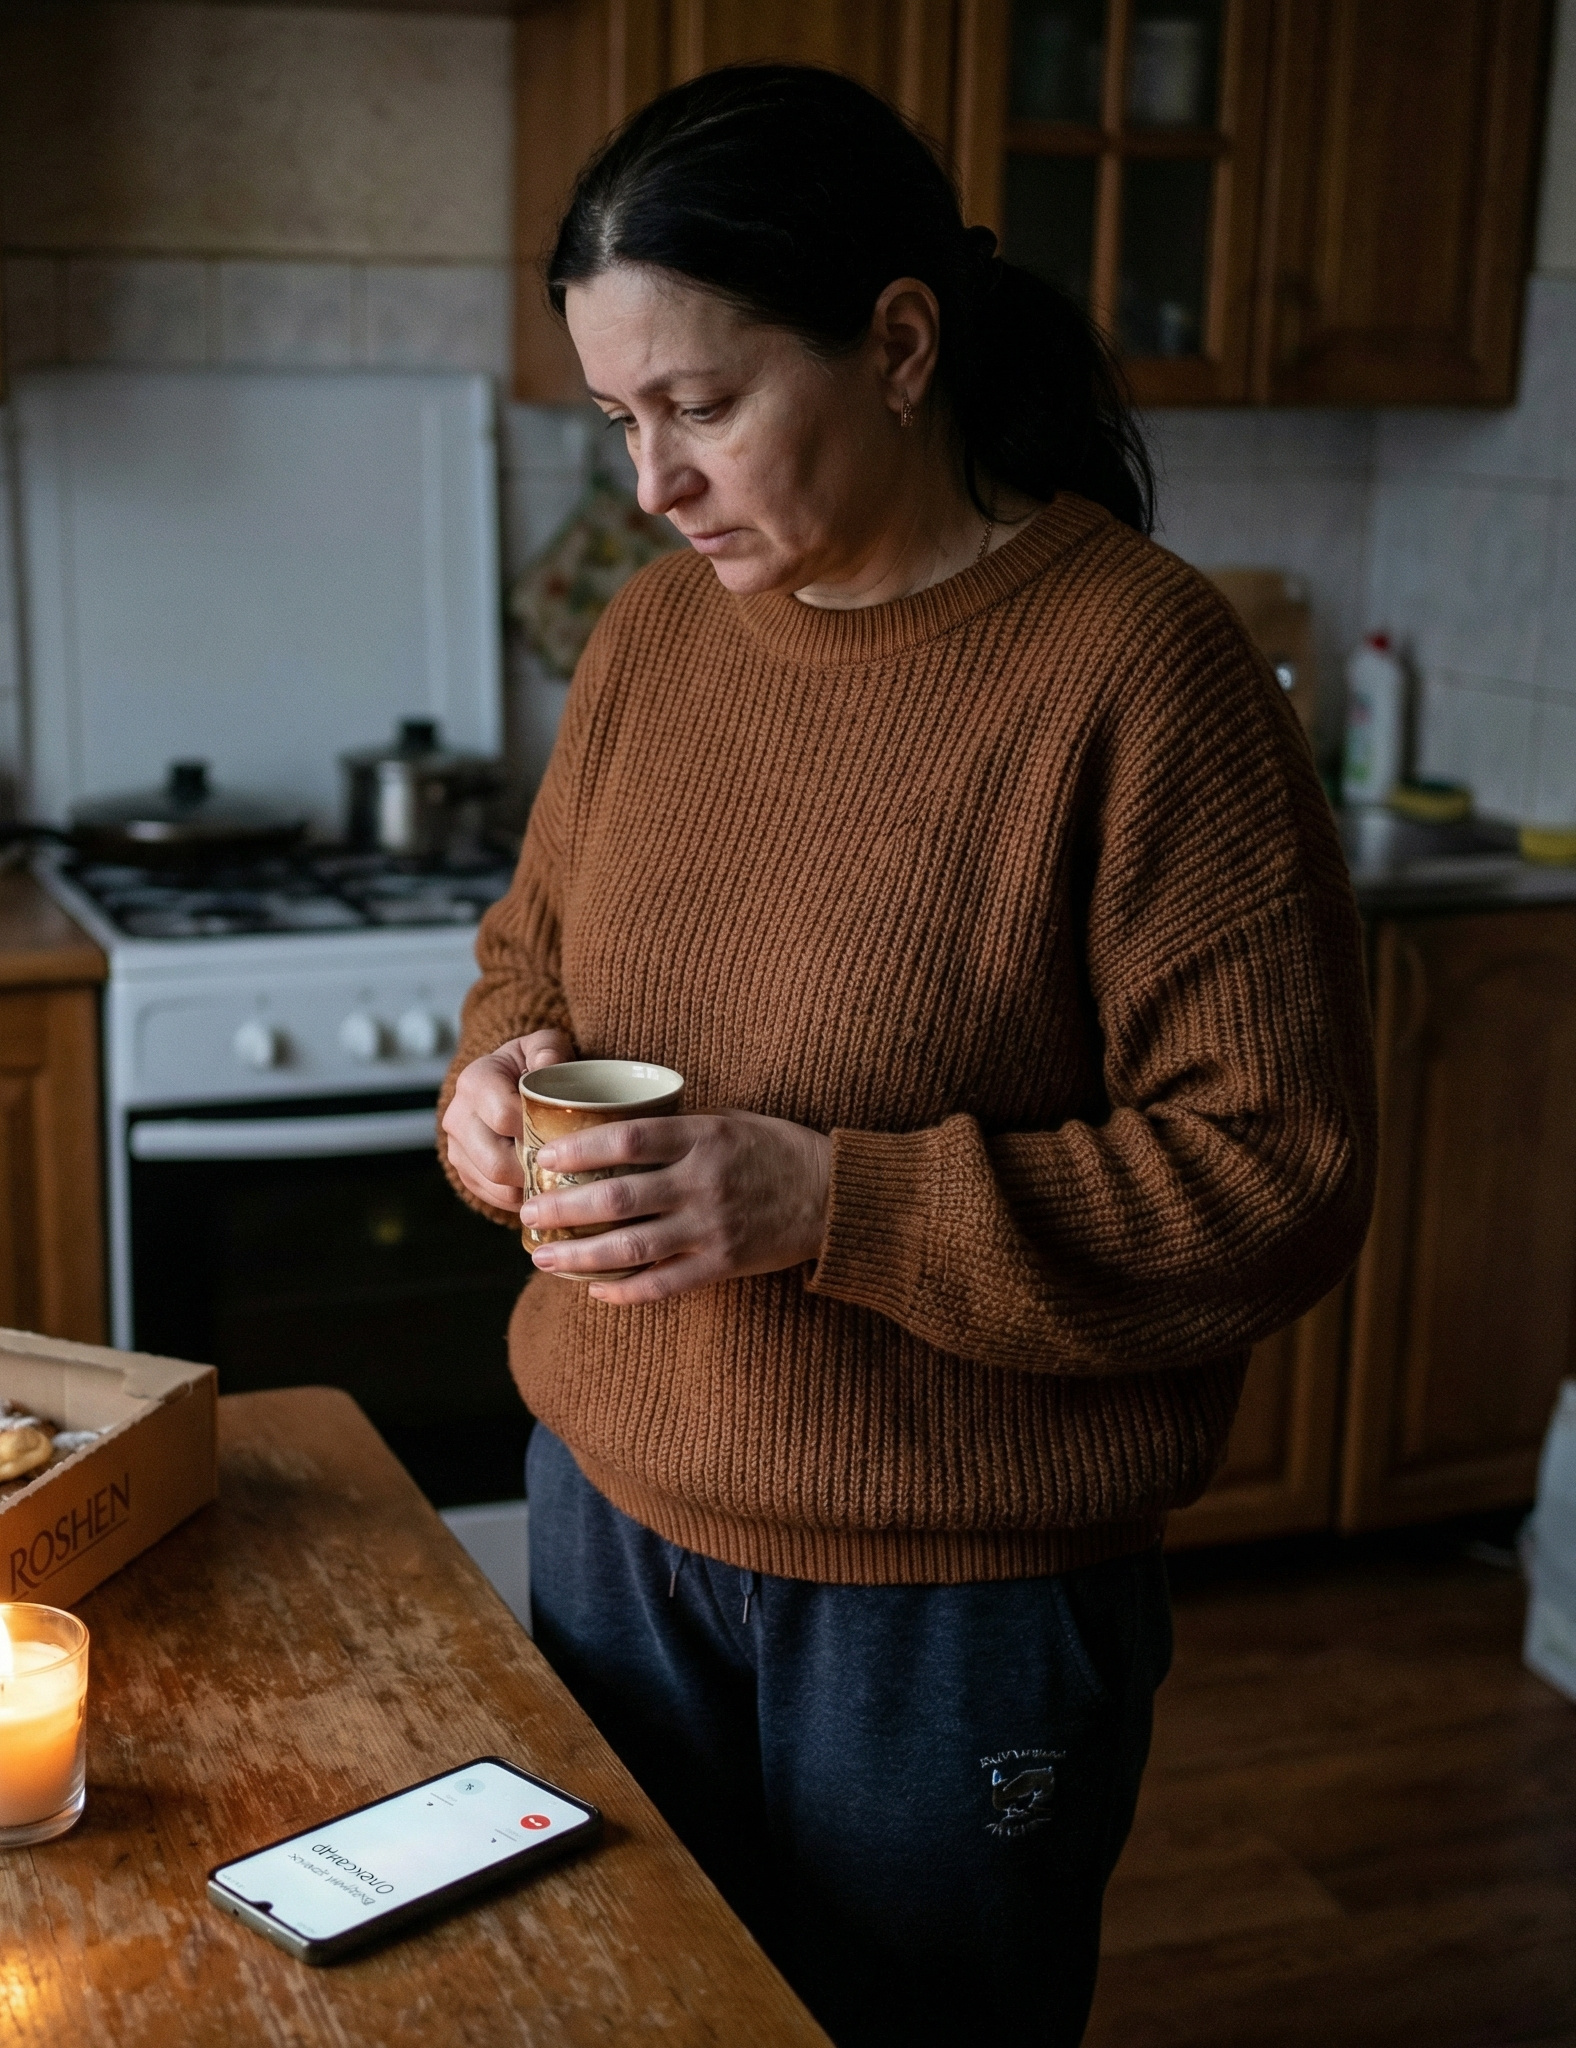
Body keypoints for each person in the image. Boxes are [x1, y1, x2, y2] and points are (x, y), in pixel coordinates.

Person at [440, 63, 1375, 2048]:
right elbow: (530, 952)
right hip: (606, 1524)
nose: (650, 487)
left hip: (947, 1602)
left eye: (697, 407)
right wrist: (492, 1078)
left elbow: (1271, 1174)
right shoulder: (652, 637)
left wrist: (829, 1202)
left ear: (895, 342)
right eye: (618, 422)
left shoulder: (1139, 668)